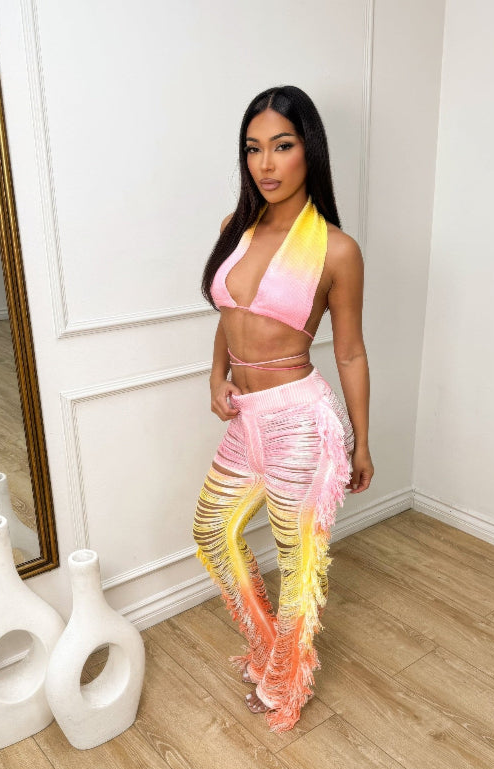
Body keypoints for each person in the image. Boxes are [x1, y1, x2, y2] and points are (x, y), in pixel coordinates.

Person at [193, 85, 374, 734]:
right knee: (211, 533)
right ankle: (271, 645)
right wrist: (216, 375)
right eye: (253, 149)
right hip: (247, 418)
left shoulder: (335, 249)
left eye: (282, 146)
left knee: (298, 562)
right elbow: (228, 315)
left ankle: (285, 680)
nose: (265, 163)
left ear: (308, 153)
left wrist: (360, 441)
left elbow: (349, 353)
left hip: (302, 421)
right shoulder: (233, 230)